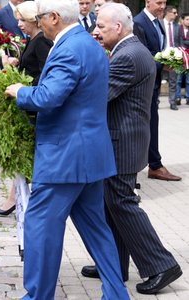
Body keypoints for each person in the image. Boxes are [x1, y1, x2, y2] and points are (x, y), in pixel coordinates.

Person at [4, 0, 129, 298]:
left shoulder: (69, 48)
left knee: (40, 228)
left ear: (55, 17)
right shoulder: (88, 44)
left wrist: (20, 91)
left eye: (39, 18)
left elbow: (48, 97)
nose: (37, 23)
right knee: (97, 230)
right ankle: (116, 294)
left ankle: (37, 295)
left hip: (64, 159)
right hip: (89, 156)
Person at [84, 3, 183, 295]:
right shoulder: (132, 49)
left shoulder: (128, 55)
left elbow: (99, 96)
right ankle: (115, 263)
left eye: (101, 26)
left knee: (122, 203)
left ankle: (160, 265)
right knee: (112, 204)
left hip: (122, 142)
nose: (96, 31)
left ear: (118, 27)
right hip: (124, 139)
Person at [0, 0, 52, 217]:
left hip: (34, 105)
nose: (18, 24)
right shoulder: (33, 39)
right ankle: (15, 199)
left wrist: (23, 83)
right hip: (29, 102)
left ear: (34, 21)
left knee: (28, 155)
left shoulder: (41, 41)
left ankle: (17, 200)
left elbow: (46, 74)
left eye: (22, 20)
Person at [134, 0, 182, 181]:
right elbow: (141, 55)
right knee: (149, 124)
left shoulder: (156, 22)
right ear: (147, 2)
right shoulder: (139, 22)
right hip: (145, 84)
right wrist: (164, 64)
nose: (162, 6)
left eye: (164, 2)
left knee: (152, 123)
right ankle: (154, 165)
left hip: (153, 83)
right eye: (158, 2)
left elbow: (156, 51)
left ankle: (154, 163)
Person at [162, 6, 181, 110]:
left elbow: (179, 42)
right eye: (174, 12)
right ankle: (156, 101)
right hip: (161, 55)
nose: (176, 14)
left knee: (173, 80)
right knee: (157, 79)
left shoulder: (177, 27)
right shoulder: (159, 24)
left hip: (173, 56)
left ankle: (172, 102)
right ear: (168, 13)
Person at [176, 12, 189, 103]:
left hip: (188, 57)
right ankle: (177, 97)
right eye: (187, 19)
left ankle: (188, 98)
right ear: (182, 20)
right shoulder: (177, 29)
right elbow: (175, 42)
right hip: (179, 57)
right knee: (178, 79)